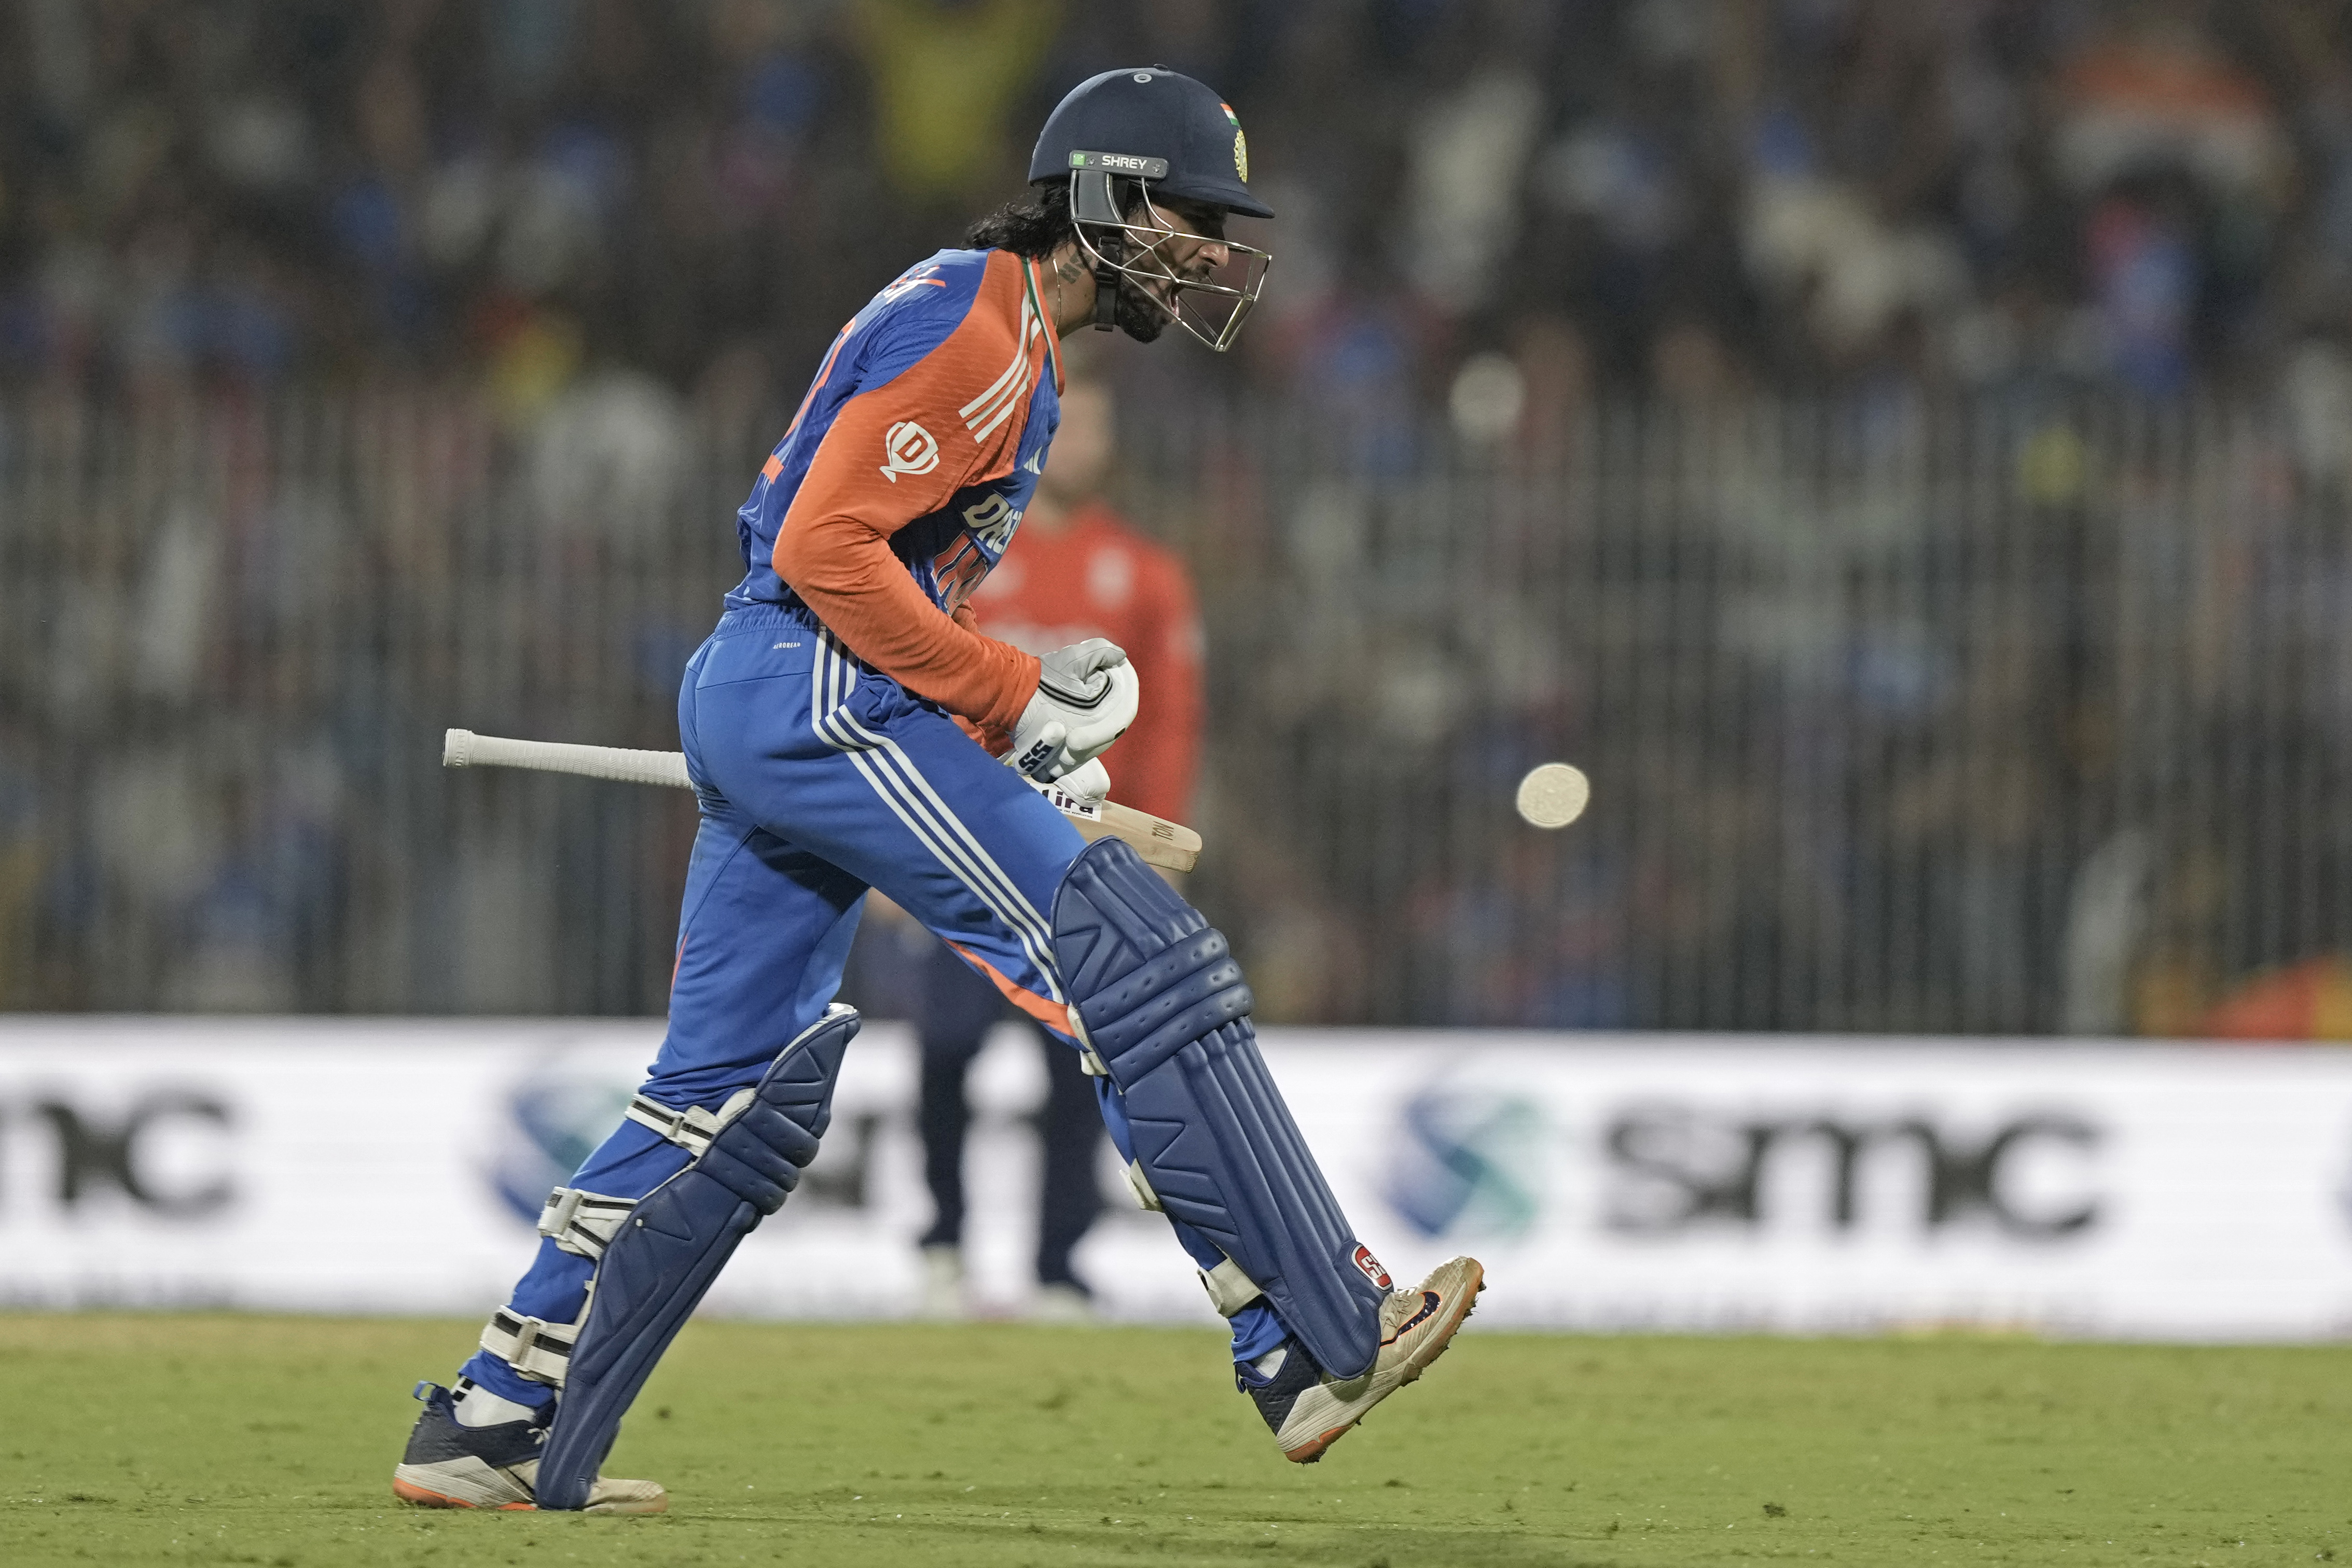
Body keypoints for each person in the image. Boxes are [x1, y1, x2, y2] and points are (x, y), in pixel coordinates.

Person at [393, 67, 1483, 1515]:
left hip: (788, 692)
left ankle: (493, 1416)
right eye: (1186, 214)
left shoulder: (998, 326)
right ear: (1095, 198)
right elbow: (829, 556)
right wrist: (1008, 693)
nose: (1211, 253)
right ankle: (1305, 1337)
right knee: (1131, 952)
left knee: (731, 1096)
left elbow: (860, 575)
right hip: (814, 689)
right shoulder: (982, 329)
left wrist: (993, 725)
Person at [914, 368, 1204, 1321]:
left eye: (1096, 429)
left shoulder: (1144, 572)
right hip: (966, 845)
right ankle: (944, 1241)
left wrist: (1156, 846)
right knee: (947, 1047)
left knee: (1078, 1062)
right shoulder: (961, 563)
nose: (1079, 445)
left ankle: (1057, 1263)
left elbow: (1167, 723)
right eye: (1067, 428)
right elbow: (918, 698)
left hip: (1083, 860)